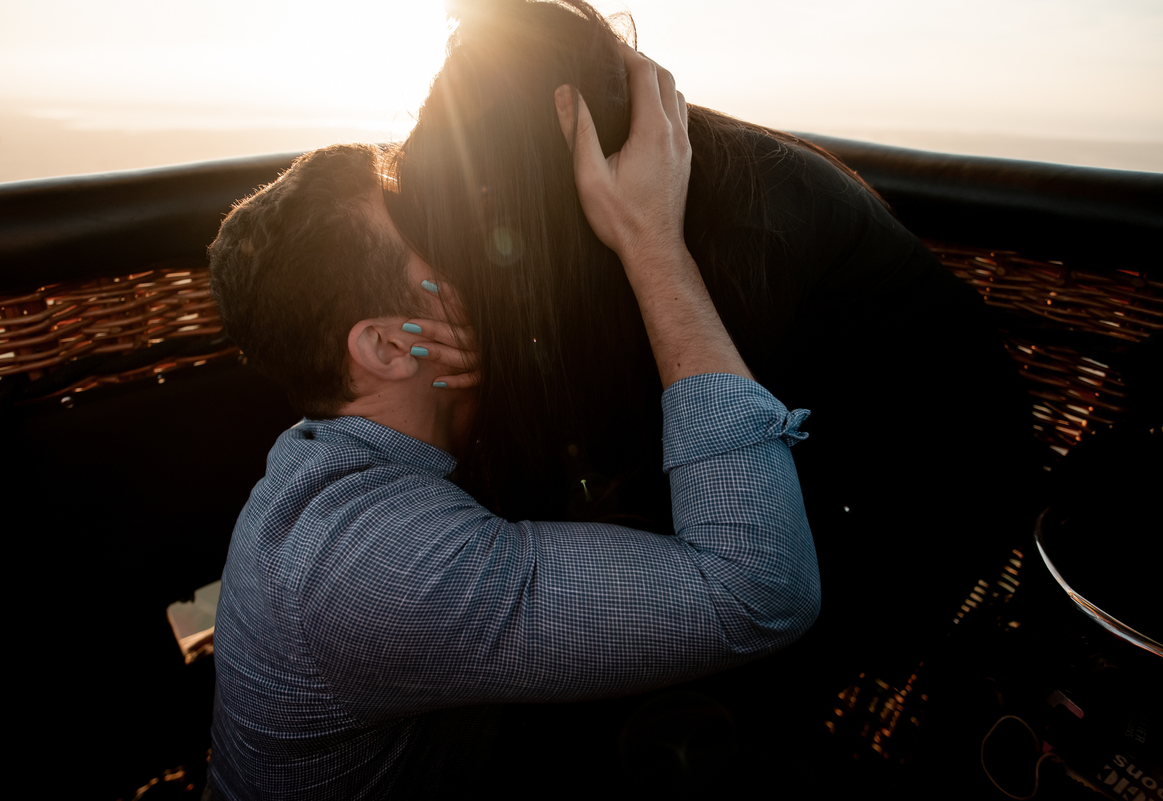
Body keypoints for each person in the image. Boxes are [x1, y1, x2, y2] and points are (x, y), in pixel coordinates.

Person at [384, 0, 1041, 787]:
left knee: (635, 708)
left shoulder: (729, 239)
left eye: (491, 207)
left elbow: (719, 505)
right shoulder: (586, 213)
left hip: (908, 509)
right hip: (798, 469)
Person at [205, 49, 819, 800]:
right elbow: (758, 588)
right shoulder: (375, 567)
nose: (462, 233)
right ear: (390, 346)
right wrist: (653, 245)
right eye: (424, 223)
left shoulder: (328, 462)